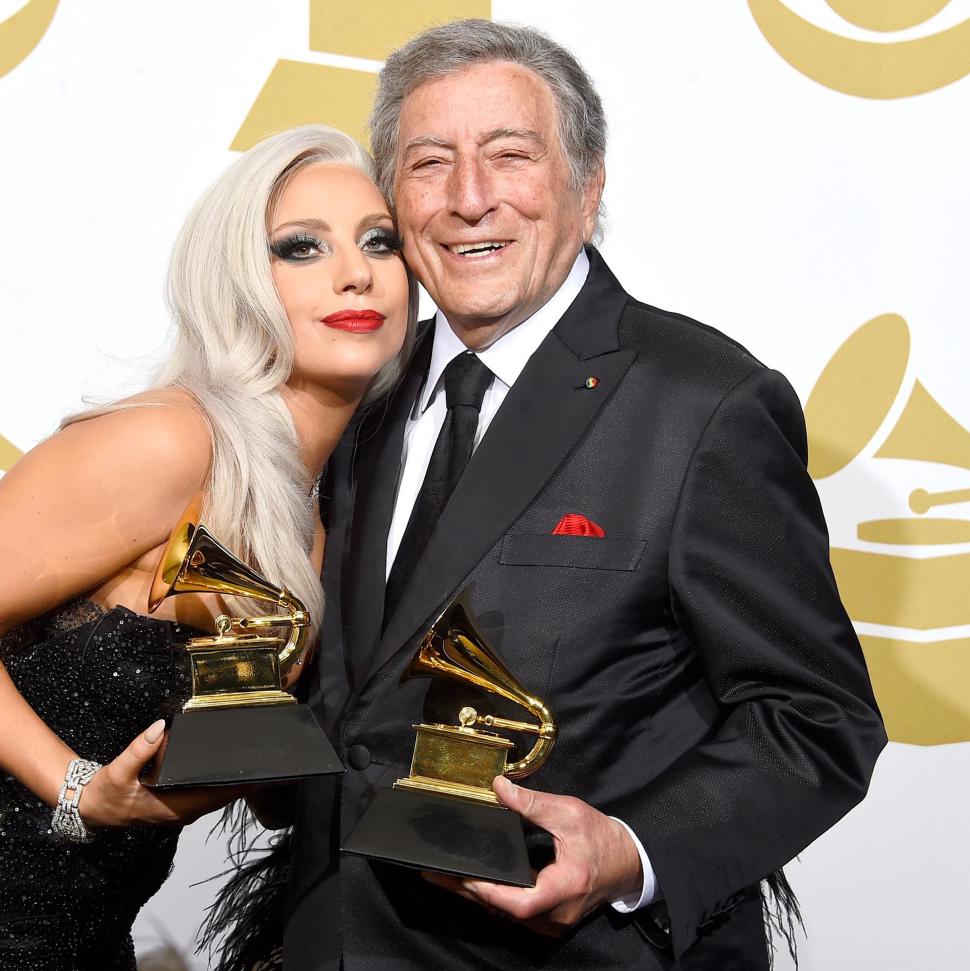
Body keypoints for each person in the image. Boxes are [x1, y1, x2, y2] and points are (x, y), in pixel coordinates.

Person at [0, 124, 412, 970]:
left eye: (380, 241)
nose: (355, 271)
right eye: (300, 247)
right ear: (237, 280)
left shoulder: (320, 523)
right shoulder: (167, 441)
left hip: (75, 925)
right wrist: (77, 785)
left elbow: (260, 782)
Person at [283, 19, 888, 970]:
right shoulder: (358, 390)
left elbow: (817, 718)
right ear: (394, 198)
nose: (469, 200)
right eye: (429, 163)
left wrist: (628, 850)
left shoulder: (705, 403)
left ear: (588, 183)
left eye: (510, 156)